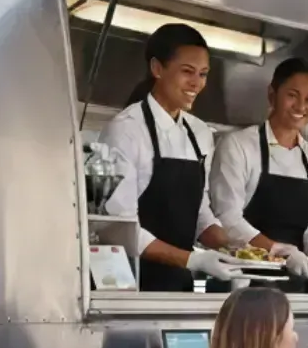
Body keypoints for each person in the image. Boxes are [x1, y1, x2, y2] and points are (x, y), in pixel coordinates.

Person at [99, 23, 237, 292]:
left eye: (203, 74)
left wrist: (235, 248)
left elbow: (200, 212)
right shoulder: (126, 130)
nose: (196, 83)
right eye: (187, 72)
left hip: (180, 286)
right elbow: (120, 229)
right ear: (157, 68)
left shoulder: (200, 133)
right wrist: (195, 258)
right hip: (132, 287)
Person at [209, 58, 308, 287]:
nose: (301, 107)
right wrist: (282, 252)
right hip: (243, 282)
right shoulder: (239, 145)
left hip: (296, 286)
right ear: (272, 95)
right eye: (292, 95)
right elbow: (227, 218)